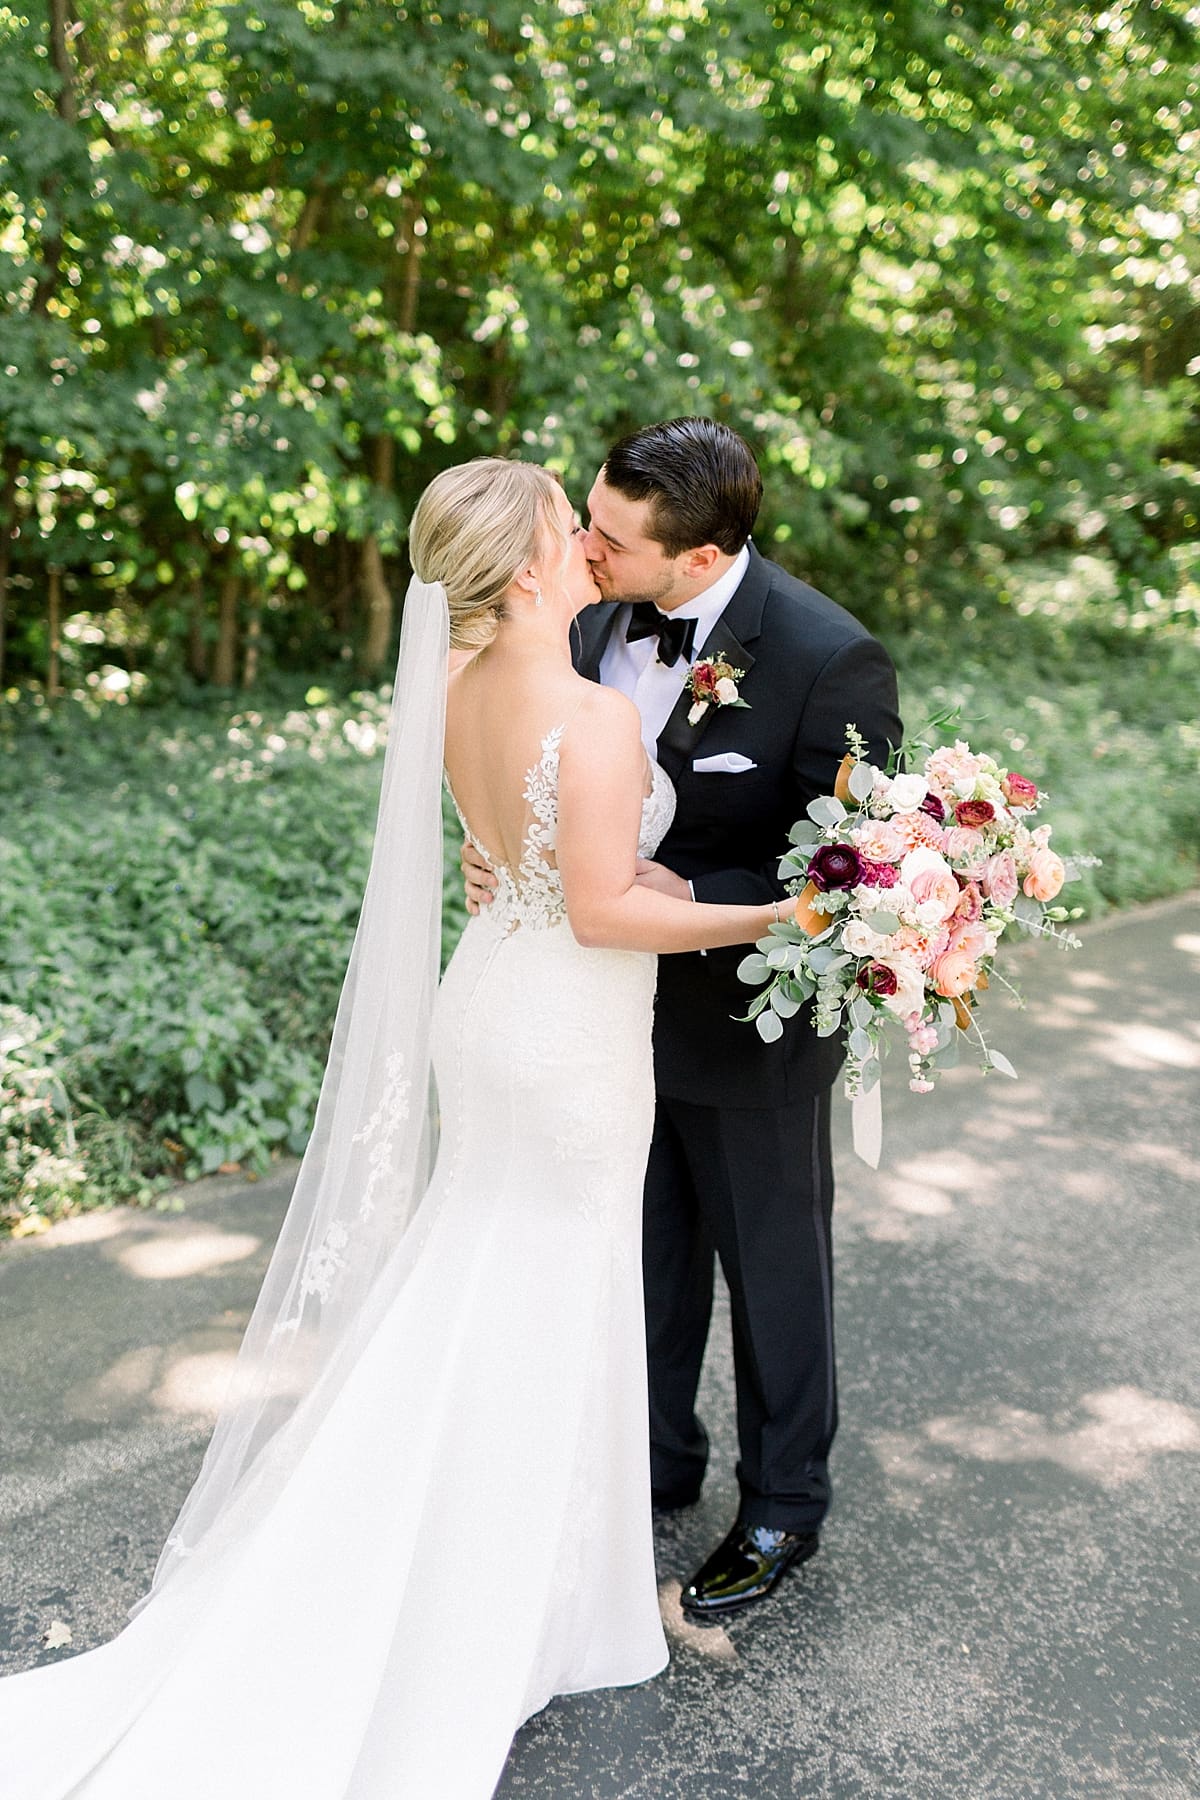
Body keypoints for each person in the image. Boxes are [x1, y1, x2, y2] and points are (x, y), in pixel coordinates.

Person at [0, 458, 800, 1800]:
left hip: (489, 997)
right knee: (545, 1288)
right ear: (537, 566)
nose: (587, 544)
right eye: (570, 526)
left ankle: (471, 1550)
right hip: (566, 1031)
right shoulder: (594, 716)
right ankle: (505, 1594)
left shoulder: (451, 689)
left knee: (483, 1270)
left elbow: (528, 859)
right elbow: (602, 911)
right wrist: (778, 917)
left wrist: (622, 874)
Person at [463, 419, 902, 1617]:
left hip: (744, 1025)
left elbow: (857, 872)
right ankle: (652, 1469)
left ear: (700, 559)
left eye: (610, 538)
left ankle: (781, 1509)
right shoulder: (591, 616)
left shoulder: (828, 657)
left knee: (772, 1272)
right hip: (597, 1023)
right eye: (587, 522)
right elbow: (552, 787)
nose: (582, 549)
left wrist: (695, 894)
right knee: (641, 1262)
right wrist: (502, 858)